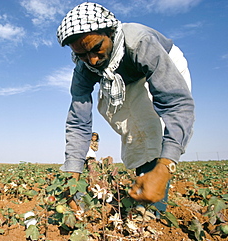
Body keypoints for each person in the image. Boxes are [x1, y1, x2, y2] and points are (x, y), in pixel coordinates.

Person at [56, 2, 194, 215]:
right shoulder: (84, 67)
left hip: (165, 66)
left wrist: (166, 166)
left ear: (110, 33)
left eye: (96, 48)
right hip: (122, 78)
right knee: (134, 130)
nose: (91, 60)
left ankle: (152, 207)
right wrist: (72, 175)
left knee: (152, 127)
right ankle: (144, 184)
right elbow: (78, 122)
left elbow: (176, 104)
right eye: (82, 55)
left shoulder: (140, 43)